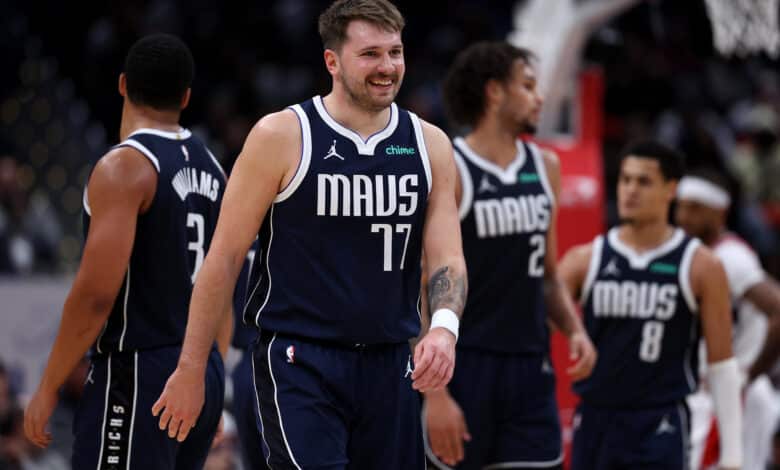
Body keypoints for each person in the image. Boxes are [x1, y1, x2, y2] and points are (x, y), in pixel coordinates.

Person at [153, 1, 467, 469]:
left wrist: (443, 328)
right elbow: (224, 257)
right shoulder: (281, 135)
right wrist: (191, 368)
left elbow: (447, 258)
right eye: (371, 54)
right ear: (332, 62)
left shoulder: (429, 144)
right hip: (300, 361)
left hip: (389, 365)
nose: (387, 67)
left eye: (395, 52)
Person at [24, 34, 229, 469]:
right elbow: (224, 285)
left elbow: (96, 295)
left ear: (122, 85)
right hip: (201, 366)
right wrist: (209, 379)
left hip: (141, 372)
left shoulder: (125, 167)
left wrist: (48, 386)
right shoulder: (214, 168)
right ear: (186, 96)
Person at [423, 41, 596, 470]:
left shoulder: (546, 166)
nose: (540, 98)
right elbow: (422, 286)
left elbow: (548, 276)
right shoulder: (453, 167)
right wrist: (435, 396)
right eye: (528, 86)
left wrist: (574, 329)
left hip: (529, 366)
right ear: (495, 91)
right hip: (465, 365)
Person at [558, 141, 743, 470]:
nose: (630, 190)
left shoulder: (701, 265)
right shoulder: (586, 259)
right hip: (597, 416)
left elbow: (722, 363)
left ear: (670, 189)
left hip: (660, 420)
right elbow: (539, 312)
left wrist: (732, 456)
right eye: (625, 179)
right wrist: (573, 331)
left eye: (643, 182)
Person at [675, 168, 780, 470]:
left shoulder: (729, 257)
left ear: (720, 211)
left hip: (731, 392)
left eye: (695, 208)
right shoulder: (702, 255)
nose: (684, 217)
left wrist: (749, 374)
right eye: (681, 207)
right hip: (716, 392)